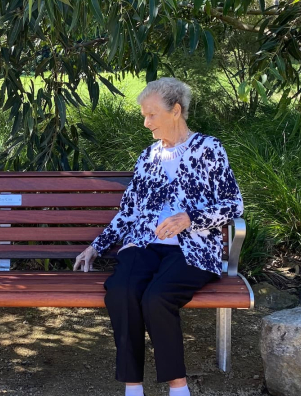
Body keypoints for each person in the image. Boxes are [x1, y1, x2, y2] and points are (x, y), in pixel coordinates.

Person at [73, 77, 244, 396]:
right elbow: (128, 210)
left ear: (176, 110)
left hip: (192, 249)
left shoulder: (208, 148)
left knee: (157, 298)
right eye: (143, 114)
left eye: (151, 114)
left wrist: (189, 218)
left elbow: (233, 204)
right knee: (122, 290)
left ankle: (178, 388)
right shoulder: (148, 156)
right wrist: (97, 246)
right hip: (144, 244)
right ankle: (133, 387)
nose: (145, 122)